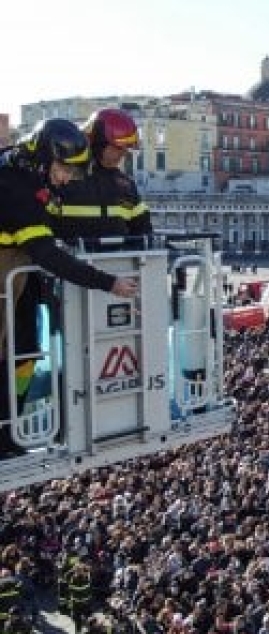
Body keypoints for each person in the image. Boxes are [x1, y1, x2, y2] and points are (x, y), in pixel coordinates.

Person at [0, 118, 139, 457]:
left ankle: (7, 427)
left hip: (16, 277)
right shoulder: (16, 188)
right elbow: (47, 254)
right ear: (44, 160)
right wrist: (108, 283)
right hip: (9, 273)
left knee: (24, 350)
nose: (66, 179)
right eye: (63, 169)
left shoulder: (21, 170)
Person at [50, 108, 152, 243]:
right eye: (118, 147)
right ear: (98, 142)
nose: (123, 154)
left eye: (126, 148)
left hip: (120, 256)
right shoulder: (62, 178)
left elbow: (143, 230)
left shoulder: (126, 185)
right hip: (71, 256)